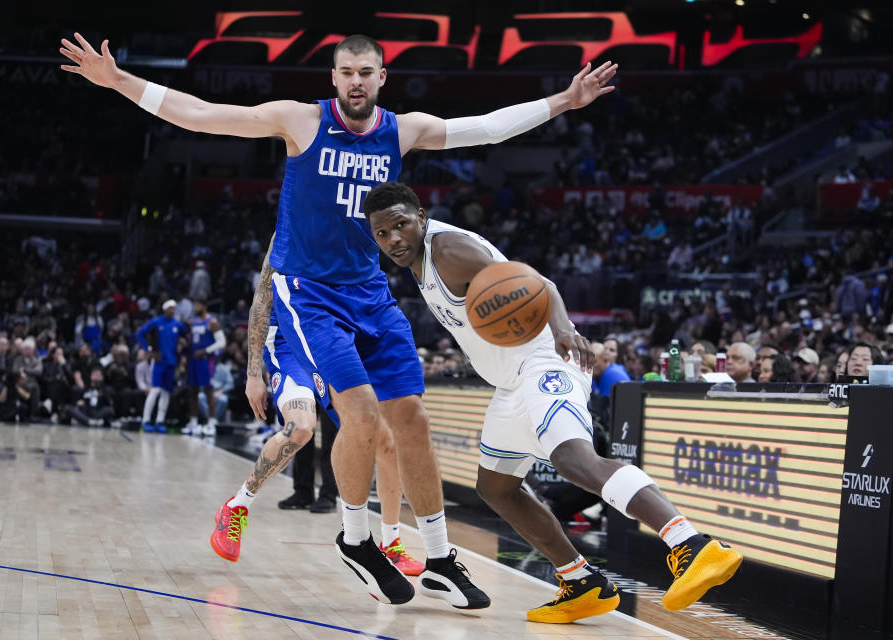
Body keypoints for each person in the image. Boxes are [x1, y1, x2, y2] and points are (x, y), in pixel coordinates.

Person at [60, 30, 616, 607]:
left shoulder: (401, 130)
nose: (356, 80)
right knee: (361, 414)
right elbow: (202, 115)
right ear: (334, 78)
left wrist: (562, 102)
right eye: (346, 71)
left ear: (381, 78)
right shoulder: (299, 120)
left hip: (371, 292)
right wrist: (121, 81)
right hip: (310, 292)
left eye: (366, 71)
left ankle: (441, 556)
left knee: (413, 421)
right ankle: (356, 539)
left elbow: (483, 127)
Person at [365, 182, 742, 621]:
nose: (393, 239)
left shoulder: (448, 249)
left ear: (421, 218)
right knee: (496, 487)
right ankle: (582, 582)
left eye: (400, 225)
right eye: (382, 233)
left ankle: (693, 546)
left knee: (573, 459)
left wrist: (563, 329)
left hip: (545, 361)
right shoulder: (418, 258)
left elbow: (536, 283)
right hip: (512, 382)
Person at [210, 247, 424, 578]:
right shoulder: (288, 232)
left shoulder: (348, 227)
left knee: (385, 440)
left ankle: (391, 543)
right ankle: (238, 505)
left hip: (330, 334)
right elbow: (261, 302)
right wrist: (254, 373)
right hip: (286, 341)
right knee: (301, 427)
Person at [135, 300, 188, 433]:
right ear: (164, 309)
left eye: (174, 308)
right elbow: (139, 334)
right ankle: (146, 420)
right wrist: (148, 349)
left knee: (166, 392)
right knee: (155, 390)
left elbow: (186, 336)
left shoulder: (178, 324)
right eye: (170, 308)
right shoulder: (156, 322)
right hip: (158, 362)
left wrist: (182, 347)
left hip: (172, 363)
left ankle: (160, 421)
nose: (173, 310)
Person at [183, 299, 226, 436]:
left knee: (208, 391)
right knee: (192, 391)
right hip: (194, 360)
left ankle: (211, 423)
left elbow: (222, 342)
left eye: (197, 305)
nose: (195, 307)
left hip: (206, 360)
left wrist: (205, 351)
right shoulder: (194, 322)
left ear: (204, 306)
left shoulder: (212, 322)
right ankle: (193, 422)